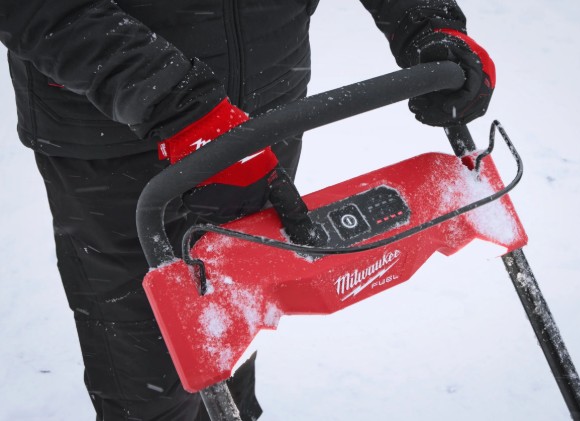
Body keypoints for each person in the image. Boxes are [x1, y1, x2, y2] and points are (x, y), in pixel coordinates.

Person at [0, 1, 495, 420]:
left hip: (265, 104)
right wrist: (175, 104)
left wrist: (426, 20)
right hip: (118, 132)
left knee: (237, 317)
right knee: (150, 362)